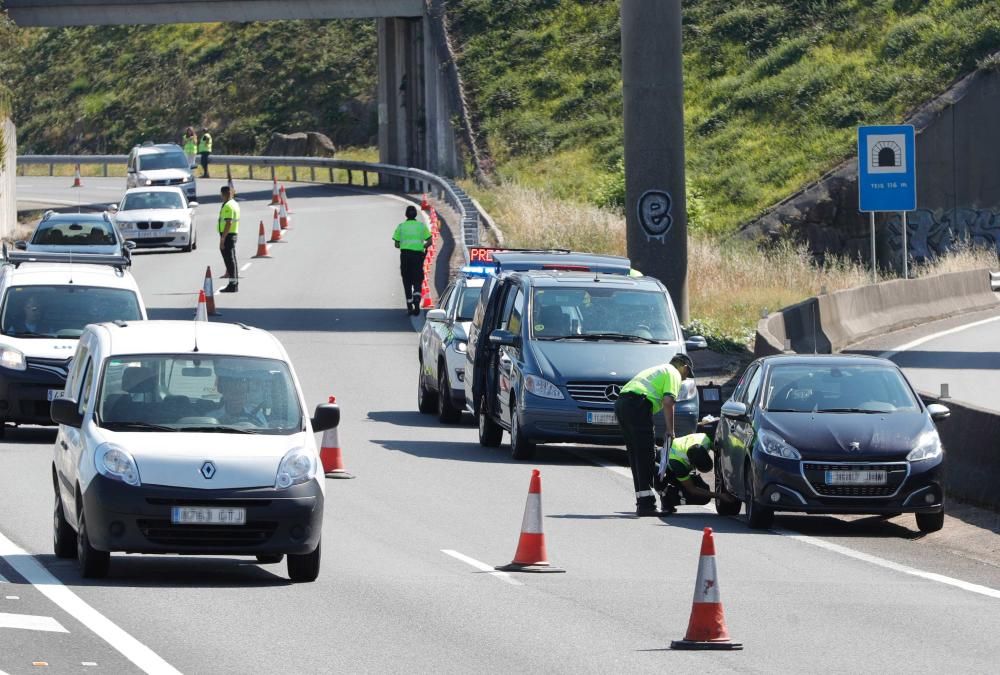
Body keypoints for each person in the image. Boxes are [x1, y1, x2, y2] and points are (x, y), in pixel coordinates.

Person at [614, 355, 691, 516]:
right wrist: (671, 430)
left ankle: (644, 502)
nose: (685, 379)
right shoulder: (673, 373)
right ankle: (647, 504)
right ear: (683, 366)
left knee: (636, 455)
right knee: (646, 455)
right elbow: (669, 402)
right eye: (687, 374)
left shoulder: (659, 370)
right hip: (638, 405)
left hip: (622, 403)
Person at [656, 432, 735, 513]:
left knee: (704, 488)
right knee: (702, 497)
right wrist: (719, 496)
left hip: (679, 454)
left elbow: (717, 449)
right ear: (692, 463)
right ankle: (666, 496)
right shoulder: (678, 464)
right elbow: (692, 489)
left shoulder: (705, 440)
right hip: (664, 467)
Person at [392, 205, 432, 315]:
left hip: (405, 256)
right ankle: (417, 298)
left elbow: (396, 244)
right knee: (418, 278)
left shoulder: (401, 226)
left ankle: (409, 306)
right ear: (416, 215)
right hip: (418, 256)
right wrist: (422, 246)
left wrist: (404, 244)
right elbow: (430, 241)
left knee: (407, 280)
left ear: (406, 215)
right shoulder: (421, 226)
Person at [218, 186, 240, 292]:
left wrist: (222, 238)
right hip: (232, 234)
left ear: (224, 194)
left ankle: (232, 284)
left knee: (229, 260)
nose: (221, 196)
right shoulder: (234, 204)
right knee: (232, 260)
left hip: (228, 235)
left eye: (222, 194)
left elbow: (228, 222)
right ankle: (234, 282)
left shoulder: (228, 206)